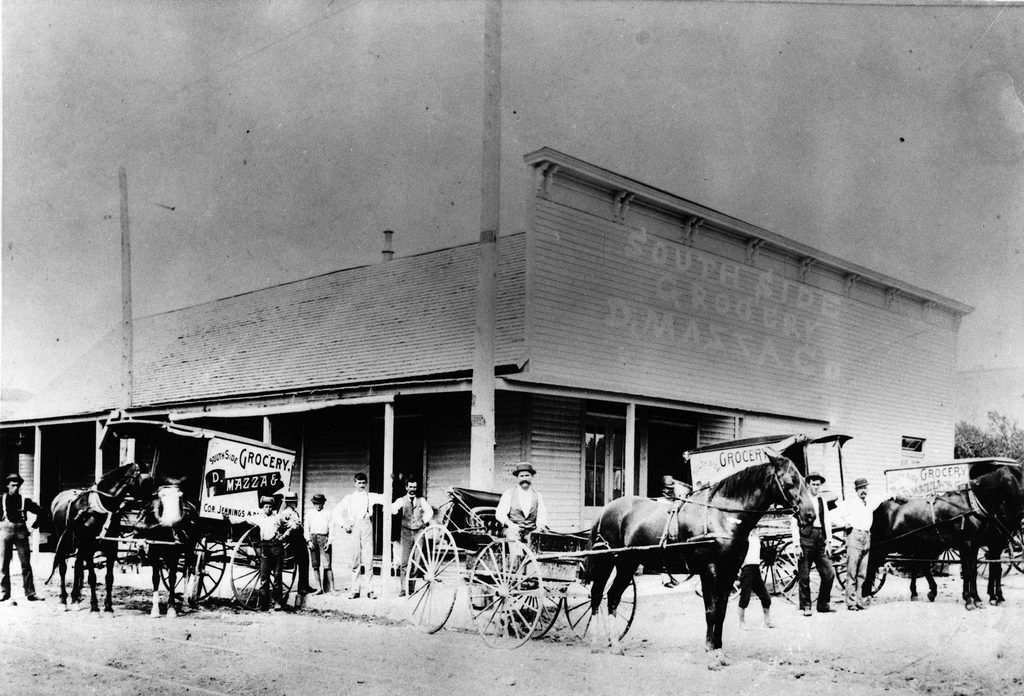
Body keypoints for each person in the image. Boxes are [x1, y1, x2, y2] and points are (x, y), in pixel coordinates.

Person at [332, 472, 386, 599]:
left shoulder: (370, 496)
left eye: (363, 483)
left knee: (368, 559)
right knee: (355, 559)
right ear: (355, 483)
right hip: (354, 526)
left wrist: (391, 482)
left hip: (366, 525)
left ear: (366, 483)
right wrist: (344, 525)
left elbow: (385, 498)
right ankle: (355, 590)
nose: (361, 485)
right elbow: (336, 512)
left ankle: (370, 590)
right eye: (359, 483)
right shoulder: (349, 498)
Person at [790, 471, 835, 616]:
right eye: (814, 484)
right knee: (804, 576)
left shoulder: (822, 501)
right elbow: (794, 522)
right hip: (805, 539)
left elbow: (827, 521)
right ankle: (806, 606)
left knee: (829, 573)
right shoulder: (801, 500)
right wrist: (796, 544)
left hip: (820, 539)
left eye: (818, 485)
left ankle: (823, 604)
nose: (816, 487)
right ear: (808, 485)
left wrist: (829, 541)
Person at [834, 477, 884, 611]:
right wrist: (845, 524)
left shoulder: (868, 503)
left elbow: (881, 499)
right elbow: (835, 515)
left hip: (867, 536)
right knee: (852, 571)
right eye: (861, 488)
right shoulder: (850, 503)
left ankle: (859, 600)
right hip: (855, 536)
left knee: (862, 572)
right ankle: (851, 602)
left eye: (865, 488)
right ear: (856, 490)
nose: (863, 491)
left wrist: (894, 494)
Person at [1, 473, 43, 603]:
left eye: (18, 486)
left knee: (25, 564)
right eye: (13, 485)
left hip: (21, 532)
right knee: (3, 563)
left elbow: (42, 512)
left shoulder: (25, 500)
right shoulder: (1, 499)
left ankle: (30, 593)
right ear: (7, 486)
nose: (16, 488)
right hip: (5, 531)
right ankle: (4, 592)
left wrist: (33, 527)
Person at [390, 479, 433, 597]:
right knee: (405, 561)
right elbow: (393, 509)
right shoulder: (401, 500)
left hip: (419, 531)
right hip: (406, 532)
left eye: (414, 487)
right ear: (406, 488)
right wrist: (394, 509)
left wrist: (423, 521)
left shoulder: (421, 500)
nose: (413, 489)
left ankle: (411, 588)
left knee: (416, 560)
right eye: (411, 487)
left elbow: (429, 512)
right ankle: (404, 588)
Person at [255, 495, 293, 612]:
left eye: (270, 507)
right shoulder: (259, 518)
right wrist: (229, 518)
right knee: (264, 577)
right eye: (266, 506)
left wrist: (283, 536)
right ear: (263, 508)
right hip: (265, 548)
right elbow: (244, 519)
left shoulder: (277, 518)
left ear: (273, 508)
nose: (268, 509)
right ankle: (264, 604)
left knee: (277, 576)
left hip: (276, 548)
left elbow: (292, 525)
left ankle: (277, 602)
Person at [495, 462, 548, 542]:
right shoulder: (509, 493)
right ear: (517, 478)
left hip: (531, 531)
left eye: (527, 475)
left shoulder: (538, 495)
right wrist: (511, 525)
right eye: (521, 476)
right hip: (513, 529)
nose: (524, 479)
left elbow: (542, 515)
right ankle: (516, 551)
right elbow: (500, 514)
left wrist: (540, 526)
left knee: (540, 539)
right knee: (513, 537)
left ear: (532, 477)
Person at [279, 491, 315, 602]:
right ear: (291, 502)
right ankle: (302, 587)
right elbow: (286, 526)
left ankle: (304, 585)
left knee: (305, 562)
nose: (296, 503)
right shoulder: (286, 513)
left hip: (298, 539)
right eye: (294, 501)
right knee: (303, 561)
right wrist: (294, 526)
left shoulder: (294, 512)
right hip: (294, 540)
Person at [737, 529, 773, 628]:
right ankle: (741, 622)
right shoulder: (744, 538)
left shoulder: (757, 538)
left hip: (756, 568)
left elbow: (762, 554)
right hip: (747, 569)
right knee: (745, 597)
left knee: (766, 597)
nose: (755, 530)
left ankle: (767, 622)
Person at [657, 474, 688, 588]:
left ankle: (670, 576)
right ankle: (665, 578)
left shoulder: (674, 501)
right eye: (666, 489)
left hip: (670, 530)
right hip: (661, 531)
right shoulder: (661, 502)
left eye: (670, 489)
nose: (668, 491)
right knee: (663, 552)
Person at [305, 493, 332, 594]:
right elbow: (306, 528)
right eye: (316, 503)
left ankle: (331, 588)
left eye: (320, 503)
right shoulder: (310, 513)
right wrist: (308, 541)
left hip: (324, 538)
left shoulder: (328, 513)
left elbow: (332, 528)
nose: (318, 505)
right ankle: (319, 588)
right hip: (313, 539)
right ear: (313, 504)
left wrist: (329, 542)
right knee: (315, 565)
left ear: (323, 503)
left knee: (327, 565)